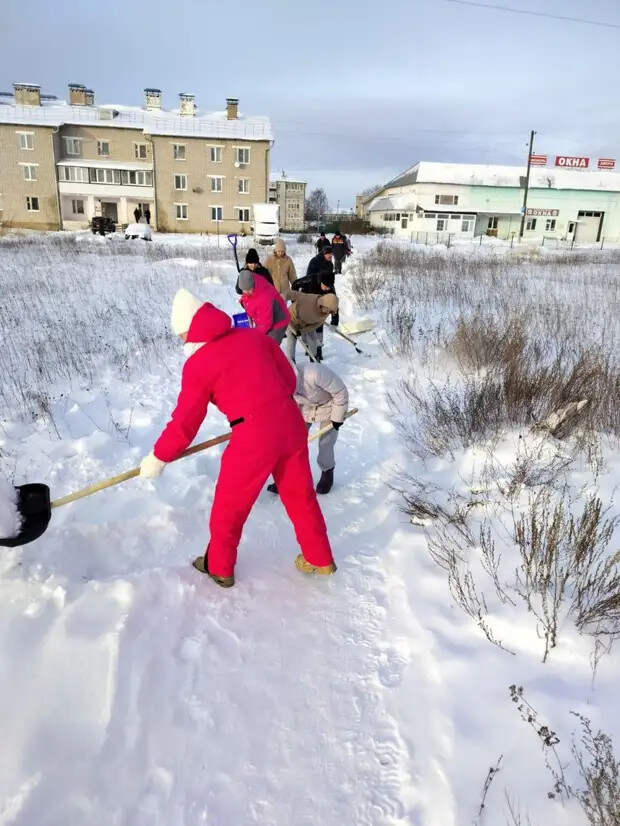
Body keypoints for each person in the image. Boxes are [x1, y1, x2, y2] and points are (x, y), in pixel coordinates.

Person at [139, 288, 336, 586]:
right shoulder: (254, 336)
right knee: (300, 495)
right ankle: (319, 557)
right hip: (291, 422)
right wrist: (269, 404)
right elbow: (289, 377)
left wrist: (158, 457)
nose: (181, 340)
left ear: (189, 330)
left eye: (180, 334)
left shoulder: (197, 364)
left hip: (255, 437)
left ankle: (218, 565)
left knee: (230, 505)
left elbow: (185, 423)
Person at [268, 362, 348, 495]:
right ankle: (287, 477)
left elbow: (340, 391)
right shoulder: (280, 384)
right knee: (292, 443)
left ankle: (327, 472)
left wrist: (337, 418)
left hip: (328, 406)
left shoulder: (314, 373)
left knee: (325, 443)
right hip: (304, 407)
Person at [292, 246, 337, 361]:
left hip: (321, 299)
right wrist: (295, 300)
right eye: (329, 255)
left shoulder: (329, 285)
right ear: (324, 253)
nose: (330, 257)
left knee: (319, 324)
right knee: (308, 325)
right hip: (309, 297)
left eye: (332, 255)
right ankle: (309, 346)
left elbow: (334, 302)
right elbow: (296, 284)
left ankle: (318, 350)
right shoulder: (314, 265)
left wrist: (334, 320)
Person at [238, 270, 290, 344]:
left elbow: (265, 324)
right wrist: (248, 312)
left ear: (253, 284)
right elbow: (247, 298)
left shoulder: (265, 296)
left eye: (249, 290)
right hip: (265, 319)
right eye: (244, 290)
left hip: (278, 322)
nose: (246, 292)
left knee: (269, 347)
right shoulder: (251, 281)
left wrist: (254, 336)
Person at [286, 291, 339, 363]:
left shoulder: (325, 314)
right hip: (291, 319)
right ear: (324, 304)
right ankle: (290, 362)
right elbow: (295, 295)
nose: (328, 313)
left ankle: (314, 358)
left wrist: (302, 331)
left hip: (306, 324)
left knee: (312, 338)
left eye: (330, 312)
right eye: (328, 310)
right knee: (291, 339)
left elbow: (315, 326)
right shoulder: (310, 299)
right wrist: (283, 296)